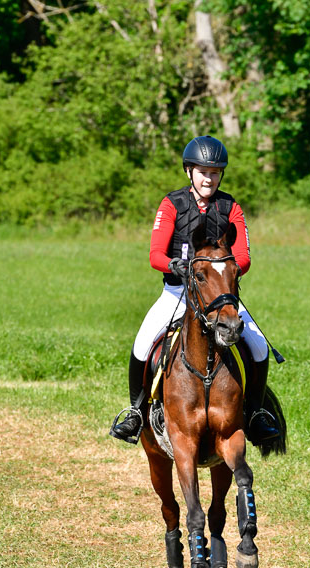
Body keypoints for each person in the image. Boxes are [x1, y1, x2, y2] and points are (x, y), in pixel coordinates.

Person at [110, 135, 279, 445]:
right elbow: (155, 254)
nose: (209, 179)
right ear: (189, 171)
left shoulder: (231, 206)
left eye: (215, 173)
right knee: (142, 344)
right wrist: (175, 266)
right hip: (177, 294)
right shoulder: (172, 203)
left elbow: (243, 256)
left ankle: (255, 414)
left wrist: (222, 273)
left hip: (219, 296)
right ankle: (136, 412)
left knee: (259, 347)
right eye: (203, 172)